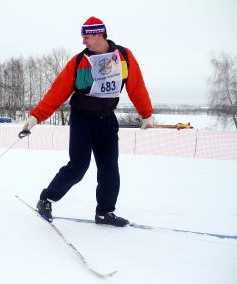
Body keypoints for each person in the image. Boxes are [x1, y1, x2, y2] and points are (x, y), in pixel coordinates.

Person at [22, 16, 154, 227]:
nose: (83, 41)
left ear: (100, 34)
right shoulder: (78, 62)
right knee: (78, 166)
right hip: (82, 118)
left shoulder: (124, 57)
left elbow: (136, 86)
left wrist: (146, 114)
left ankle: (104, 213)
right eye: (83, 36)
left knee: (110, 168)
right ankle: (46, 199)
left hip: (107, 120)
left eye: (87, 36)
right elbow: (57, 92)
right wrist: (36, 116)